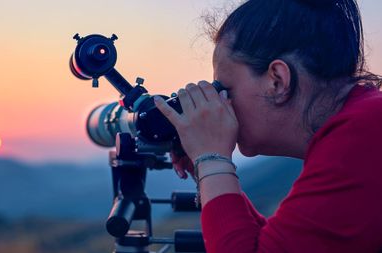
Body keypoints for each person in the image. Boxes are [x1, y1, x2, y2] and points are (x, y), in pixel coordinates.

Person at [153, 0, 382, 252]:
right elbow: (276, 245)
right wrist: (207, 171)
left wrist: (212, 159)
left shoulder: (363, 135)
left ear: (277, 81)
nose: (221, 105)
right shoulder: (362, 125)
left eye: (225, 90)